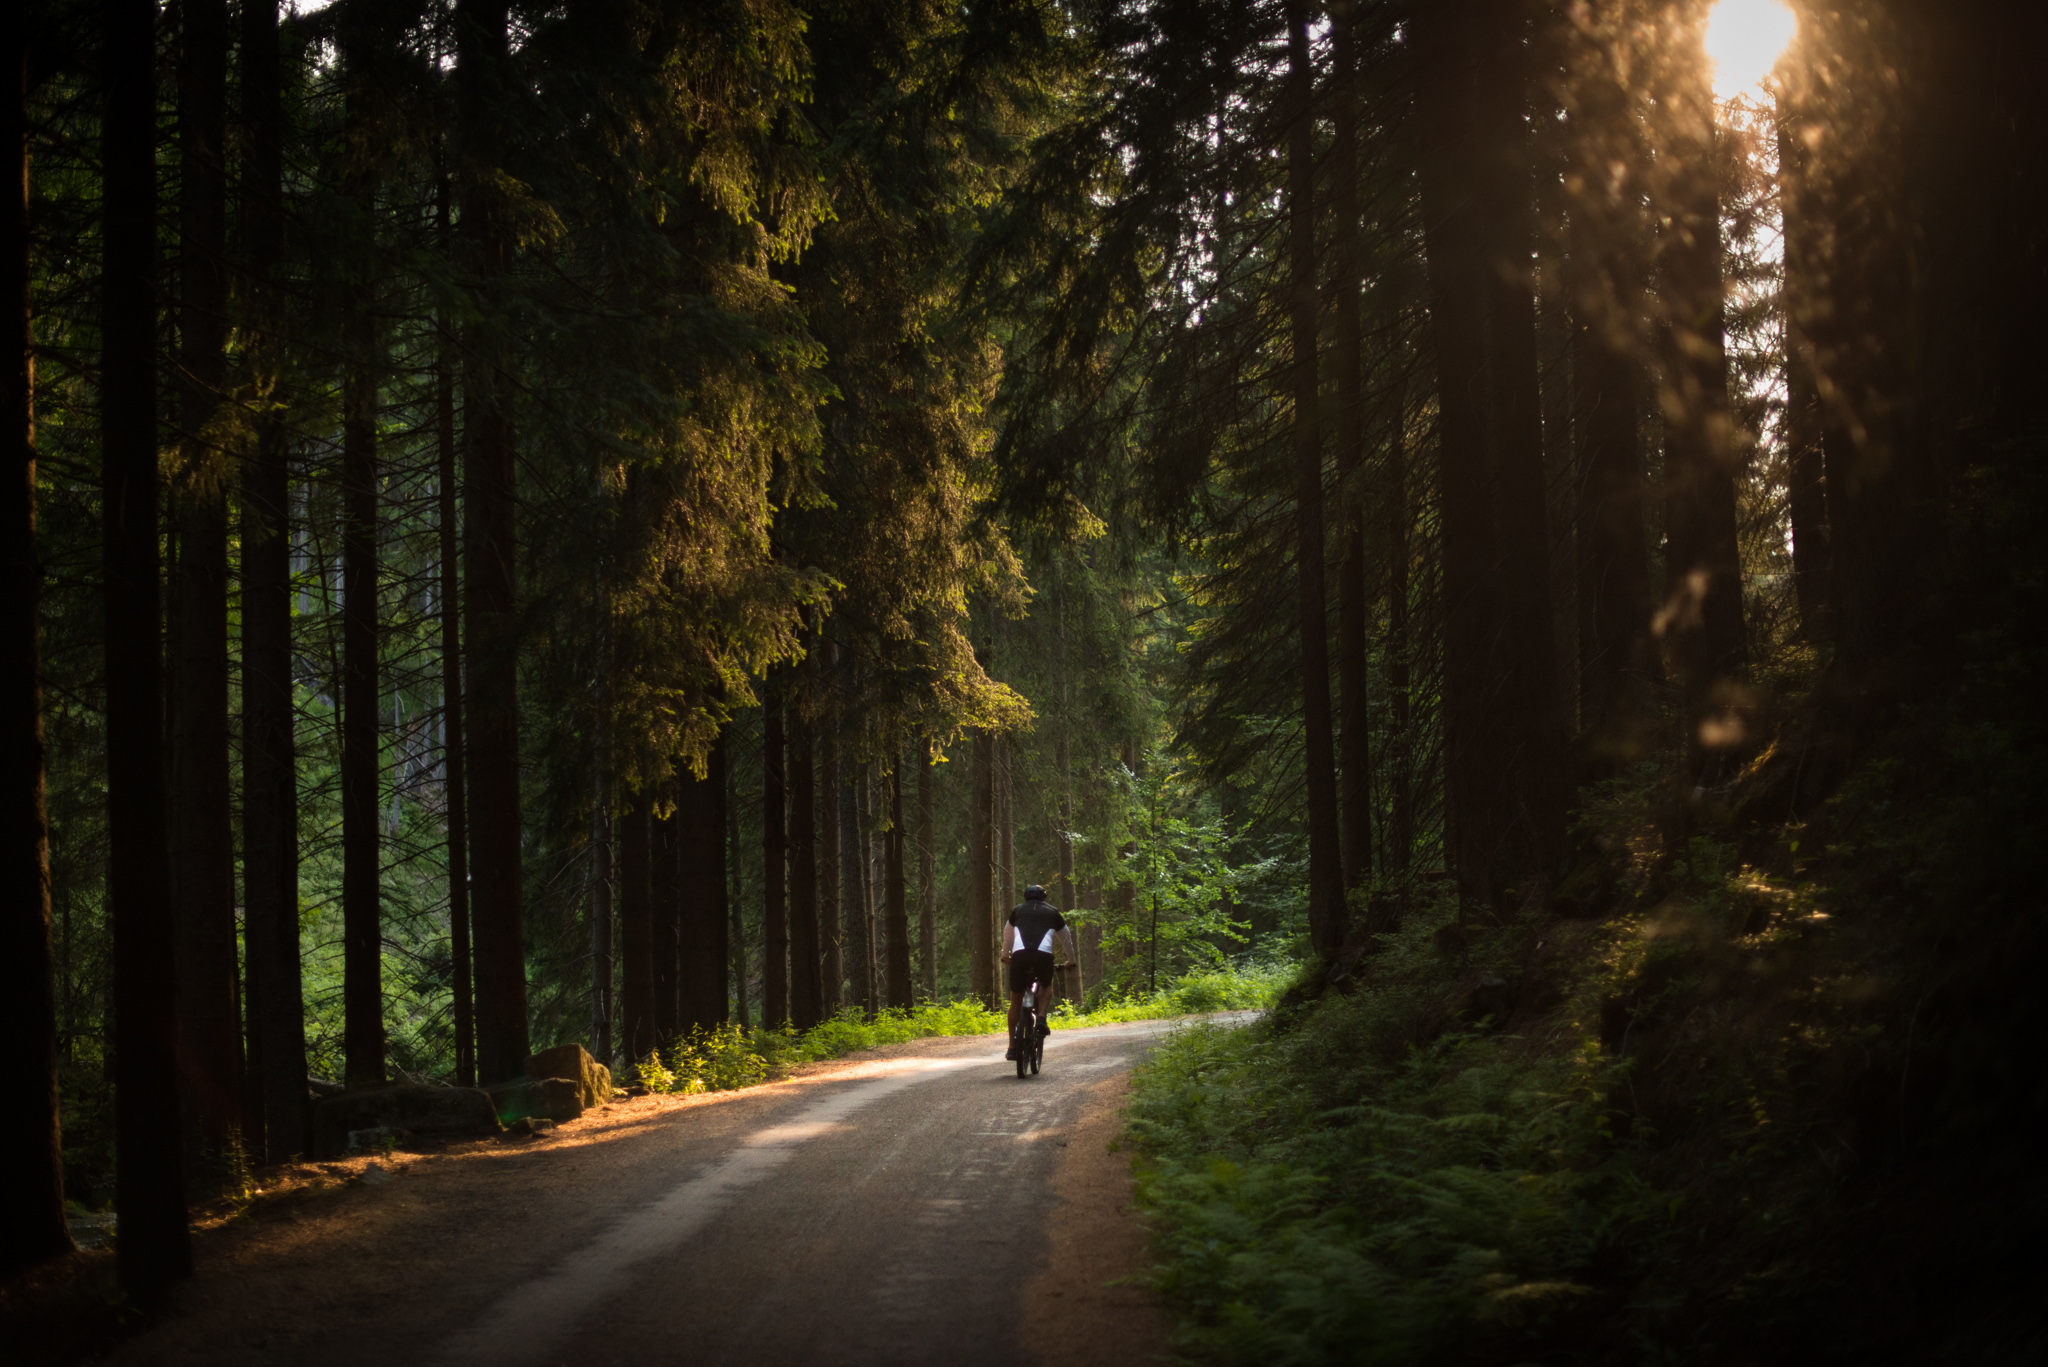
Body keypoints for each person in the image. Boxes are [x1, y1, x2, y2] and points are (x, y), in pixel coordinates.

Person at [1002, 884, 1075, 1060]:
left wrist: (1005, 956)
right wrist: (1071, 960)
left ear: (1025, 897)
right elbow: (1066, 938)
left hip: (1019, 956)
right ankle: (1041, 1017)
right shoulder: (1053, 912)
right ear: (1043, 898)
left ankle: (1012, 1047)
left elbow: (1007, 935)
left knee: (1015, 1000)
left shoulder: (1017, 911)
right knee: (1046, 985)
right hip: (1043, 956)